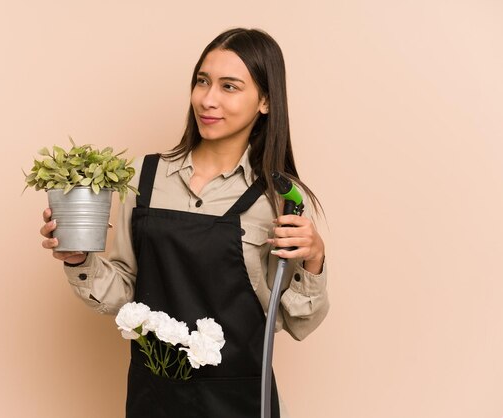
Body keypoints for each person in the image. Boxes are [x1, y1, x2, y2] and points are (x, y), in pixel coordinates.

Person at [40, 28, 329, 418]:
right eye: (202, 82)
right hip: (154, 397)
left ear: (265, 101)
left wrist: (314, 260)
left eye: (230, 87)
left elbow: (296, 322)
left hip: (239, 401)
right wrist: (78, 259)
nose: (208, 100)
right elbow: (125, 295)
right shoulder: (145, 177)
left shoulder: (279, 199)